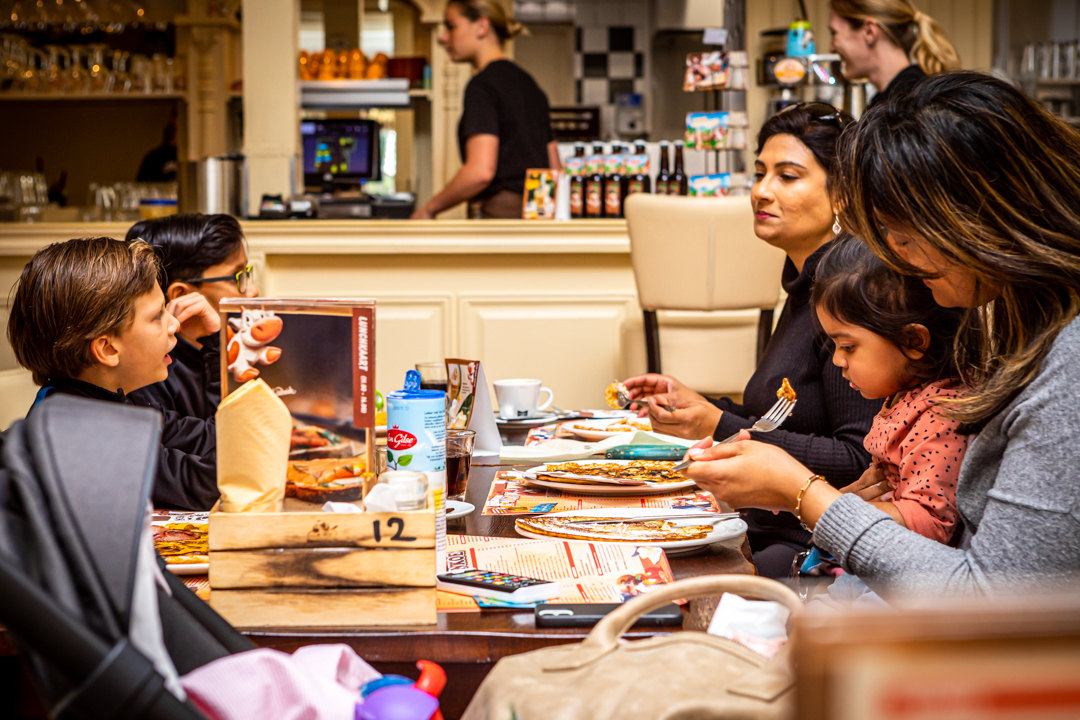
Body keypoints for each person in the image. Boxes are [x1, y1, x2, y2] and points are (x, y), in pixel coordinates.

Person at [681, 72, 1080, 595]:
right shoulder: (1018, 327)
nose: (893, 251)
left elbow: (993, 603)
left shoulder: (1067, 365)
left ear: (975, 215)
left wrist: (806, 495)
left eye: (899, 228)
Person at [624, 103, 882, 578]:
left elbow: (858, 458)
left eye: (788, 176)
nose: (761, 191)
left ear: (843, 194)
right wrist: (702, 409)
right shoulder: (806, 285)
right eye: (760, 174)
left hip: (807, 548)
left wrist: (719, 423)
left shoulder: (851, 293)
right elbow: (789, 417)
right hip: (762, 526)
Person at [7, 237, 219, 510]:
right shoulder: (82, 432)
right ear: (107, 349)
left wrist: (216, 342)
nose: (175, 324)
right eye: (157, 316)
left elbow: (212, 437)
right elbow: (206, 486)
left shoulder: (113, 400)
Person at [812, 235, 967, 544]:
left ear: (913, 342)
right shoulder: (904, 397)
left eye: (848, 346)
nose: (837, 360)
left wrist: (818, 506)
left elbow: (930, 524)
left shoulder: (942, 416)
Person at [411, 0, 559, 220]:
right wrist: (539, 218)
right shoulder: (530, 85)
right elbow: (555, 169)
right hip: (539, 216)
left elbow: (480, 172)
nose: (443, 38)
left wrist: (428, 209)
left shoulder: (482, 86)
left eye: (451, 26)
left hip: (499, 220)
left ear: (481, 26)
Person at [126, 214, 257, 420]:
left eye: (247, 272)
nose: (253, 290)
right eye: (237, 277)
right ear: (181, 294)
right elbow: (231, 434)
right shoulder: (149, 378)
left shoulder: (240, 340)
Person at [827, 0, 959, 106]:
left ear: (869, 32)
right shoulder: (889, 99)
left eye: (834, 33)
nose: (831, 48)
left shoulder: (910, 103)